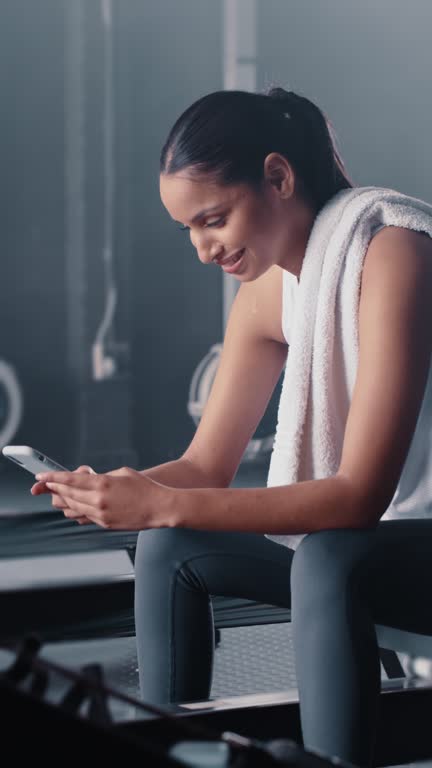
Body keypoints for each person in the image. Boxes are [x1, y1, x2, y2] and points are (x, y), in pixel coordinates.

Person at [32, 87, 432, 767]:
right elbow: (202, 468)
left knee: (331, 559)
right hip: (381, 550)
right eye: (189, 229)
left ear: (278, 177)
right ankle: (169, 748)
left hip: (402, 542)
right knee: (168, 545)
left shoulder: (394, 250)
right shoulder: (266, 294)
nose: (202, 248)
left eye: (212, 219)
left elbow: (360, 495)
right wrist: (110, 492)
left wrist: (163, 500)